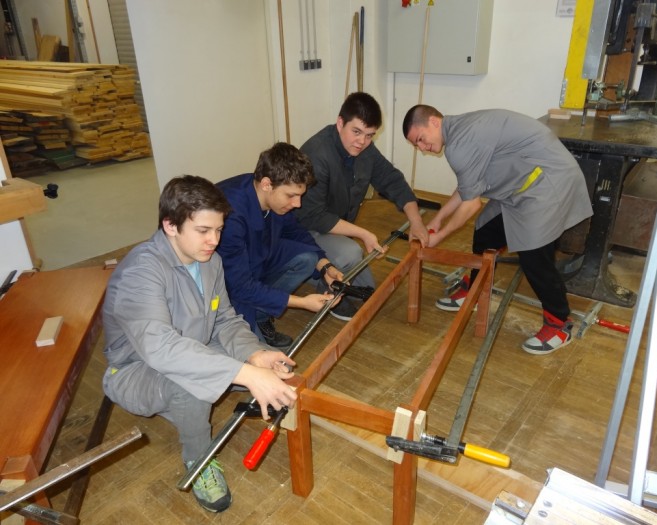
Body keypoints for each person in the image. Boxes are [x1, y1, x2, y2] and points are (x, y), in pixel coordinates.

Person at [101, 175, 297, 513]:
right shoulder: (140, 272)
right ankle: (199, 459)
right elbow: (161, 349)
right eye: (203, 230)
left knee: (250, 368)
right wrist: (245, 373)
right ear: (170, 225)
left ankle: (192, 404)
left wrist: (255, 354)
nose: (214, 240)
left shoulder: (209, 261)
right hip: (133, 370)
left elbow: (225, 320)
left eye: (218, 229)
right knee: (193, 383)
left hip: (190, 348)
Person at [402, 105, 593, 355]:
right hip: (518, 187)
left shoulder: (460, 143)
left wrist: (440, 236)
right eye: (416, 146)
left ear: (434, 122)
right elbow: (467, 187)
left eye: (420, 139)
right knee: (485, 231)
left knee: (534, 256)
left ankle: (559, 323)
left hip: (546, 183)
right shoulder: (458, 131)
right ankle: (477, 286)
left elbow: (471, 205)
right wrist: (438, 220)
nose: (422, 149)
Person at [296, 92, 429, 318]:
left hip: (334, 229)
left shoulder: (364, 149)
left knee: (366, 290)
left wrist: (416, 221)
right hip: (303, 231)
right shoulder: (317, 154)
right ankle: (322, 283)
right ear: (340, 123)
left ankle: (325, 269)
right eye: (356, 132)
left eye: (369, 135)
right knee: (350, 253)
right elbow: (314, 216)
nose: (362, 142)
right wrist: (363, 234)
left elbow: (392, 180)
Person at [216, 142, 344, 346]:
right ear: (267, 184)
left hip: (257, 258)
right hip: (228, 289)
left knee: (309, 258)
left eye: (300, 196)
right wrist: (301, 302)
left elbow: (295, 231)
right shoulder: (230, 214)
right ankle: (255, 315)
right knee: (260, 355)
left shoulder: (271, 197)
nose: (297, 204)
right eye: (291, 195)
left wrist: (324, 265)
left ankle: (261, 314)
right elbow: (239, 286)